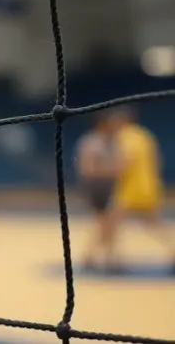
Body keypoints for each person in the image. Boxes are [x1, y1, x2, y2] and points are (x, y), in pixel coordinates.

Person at [106, 108, 175, 275]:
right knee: (153, 223)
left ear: (123, 122)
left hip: (131, 188)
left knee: (112, 222)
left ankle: (115, 261)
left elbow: (125, 163)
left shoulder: (124, 137)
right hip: (149, 186)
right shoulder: (145, 136)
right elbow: (158, 160)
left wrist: (109, 170)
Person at [76, 116, 119, 271]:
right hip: (97, 186)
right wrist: (114, 169)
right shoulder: (92, 142)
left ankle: (101, 256)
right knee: (105, 223)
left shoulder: (112, 141)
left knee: (109, 223)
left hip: (108, 185)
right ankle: (103, 257)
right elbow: (88, 168)